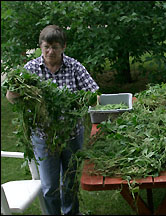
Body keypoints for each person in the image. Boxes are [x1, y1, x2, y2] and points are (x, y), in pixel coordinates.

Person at [6, 25, 99, 215]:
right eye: (46, 46)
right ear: (40, 46)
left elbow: (94, 94)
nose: (50, 51)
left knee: (70, 182)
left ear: (63, 47)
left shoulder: (74, 66)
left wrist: (84, 101)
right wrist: (14, 92)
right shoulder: (30, 69)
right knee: (49, 186)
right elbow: (11, 97)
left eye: (55, 47)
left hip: (72, 134)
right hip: (43, 136)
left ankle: (71, 213)